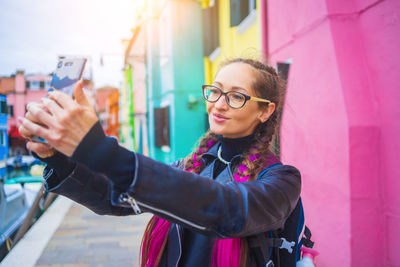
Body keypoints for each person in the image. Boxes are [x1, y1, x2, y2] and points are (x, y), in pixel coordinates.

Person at [19, 58, 301, 267]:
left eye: (236, 96)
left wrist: (99, 149)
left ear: (265, 111)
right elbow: (112, 196)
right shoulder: (191, 167)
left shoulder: (282, 180)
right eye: (214, 91)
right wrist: (56, 158)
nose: (219, 103)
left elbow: (226, 209)